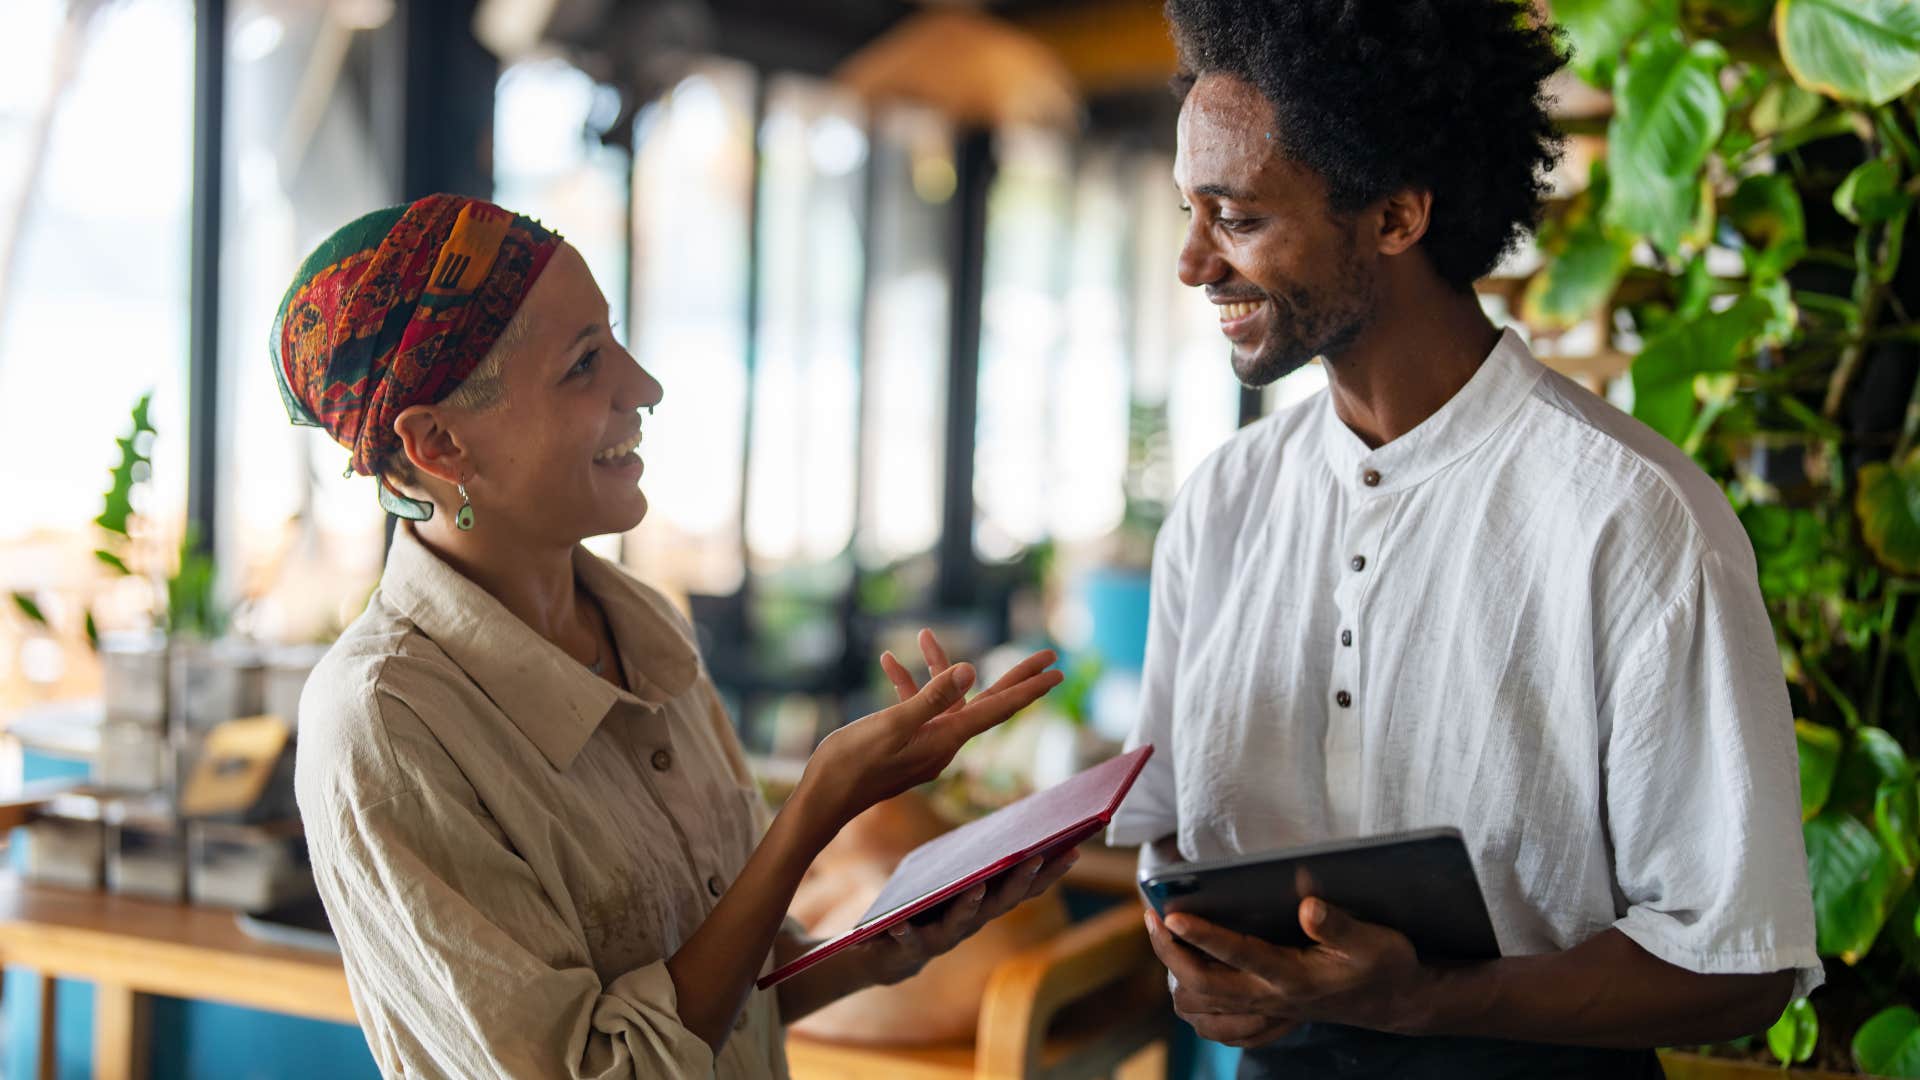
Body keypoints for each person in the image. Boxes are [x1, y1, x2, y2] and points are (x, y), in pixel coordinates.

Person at [1107, 2, 1821, 1076]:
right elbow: (1164, 825)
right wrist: (1190, 953)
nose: (1194, 262)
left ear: (1396, 217)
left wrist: (1434, 1001)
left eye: (1237, 217)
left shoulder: (1632, 519)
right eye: (1188, 210)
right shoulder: (1223, 507)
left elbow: (1743, 967)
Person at [277, 194, 1068, 1079]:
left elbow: (723, 996)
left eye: (612, 339)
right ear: (438, 443)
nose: (642, 387)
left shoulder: (644, 623)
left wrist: (885, 945)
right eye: (584, 365)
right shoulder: (382, 723)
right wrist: (814, 811)